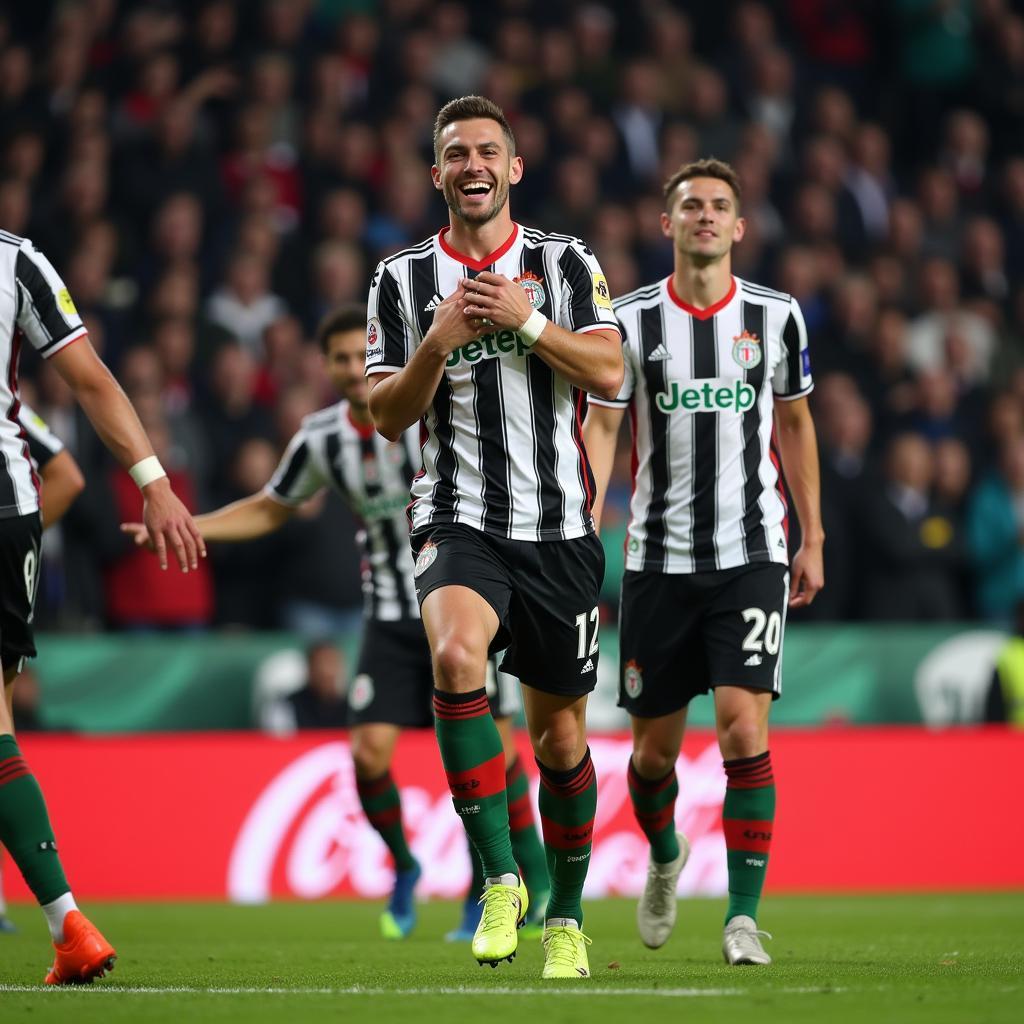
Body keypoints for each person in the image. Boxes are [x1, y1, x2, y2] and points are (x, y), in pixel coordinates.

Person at [123, 305, 550, 941]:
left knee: (497, 756)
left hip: (466, 602)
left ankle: (502, 884)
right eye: (342, 359)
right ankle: (406, 867)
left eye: (361, 355)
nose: (354, 370)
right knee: (367, 755)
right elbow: (271, 507)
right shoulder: (322, 438)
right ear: (326, 367)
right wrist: (190, 524)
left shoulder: (428, 410)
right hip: (387, 612)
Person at [365, 95, 623, 978]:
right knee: (454, 659)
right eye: (454, 153)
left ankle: (568, 918)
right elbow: (386, 416)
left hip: (557, 531)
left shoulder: (563, 260)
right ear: (436, 174)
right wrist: (435, 342)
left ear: (515, 168)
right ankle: (501, 878)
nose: (472, 164)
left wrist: (528, 321)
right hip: (457, 517)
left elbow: (612, 367)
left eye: (487, 150)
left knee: (558, 744)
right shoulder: (400, 281)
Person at [583, 158, 824, 966]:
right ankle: (662, 853)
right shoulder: (629, 320)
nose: (706, 217)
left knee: (742, 725)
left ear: (740, 225)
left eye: (721, 206)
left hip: (751, 552)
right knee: (652, 757)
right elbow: (607, 427)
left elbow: (794, 424)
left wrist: (812, 535)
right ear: (668, 224)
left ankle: (743, 917)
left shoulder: (777, 316)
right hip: (656, 560)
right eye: (691, 206)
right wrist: (586, 519)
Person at [0, 228, 204, 983]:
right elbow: (87, 377)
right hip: (10, 511)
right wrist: (153, 481)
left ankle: (66, 921)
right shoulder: (16, 258)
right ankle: (65, 926)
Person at [0, 404, 84, 935]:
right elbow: (68, 476)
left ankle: (64, 919)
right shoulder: (11, 408)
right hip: (15, 531)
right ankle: (62, 917)